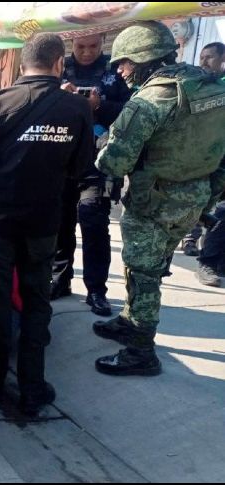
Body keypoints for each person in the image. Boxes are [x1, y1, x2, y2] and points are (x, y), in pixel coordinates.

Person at [0, 33, 93, 417]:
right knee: (36, 299)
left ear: (21, 63)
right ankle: (32, 387)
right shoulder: (77, 108)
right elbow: (81, 167)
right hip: (43, 222)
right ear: (59, 63)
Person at [93, 23, 225, 376]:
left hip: (154, 201)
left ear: (144, 59)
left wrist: (103, 145)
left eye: (124, 63)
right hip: (195, 196)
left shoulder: (148, 101)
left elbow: (115, 163)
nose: (121, 72)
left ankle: (141, 351)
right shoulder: (213, 87)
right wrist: (210, 196)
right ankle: (127, 320)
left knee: (144, 273)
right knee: (149, 264)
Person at [50, 33, 132, 317]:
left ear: (103, 41)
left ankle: (96, 290)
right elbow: (38, 107)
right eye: (81, 46)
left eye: (93, 46)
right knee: (60, 223)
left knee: (94, 223)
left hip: (100, 162)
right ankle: (59, 280)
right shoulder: (58, 68)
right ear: (72, 44)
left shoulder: (116, 73)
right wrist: (62, 99)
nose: (86, 52)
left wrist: (99, 107)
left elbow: (132, 112)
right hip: (62, 160)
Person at [181, 42, 225, 259]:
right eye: (202, 57)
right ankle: (190, 238)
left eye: (210, 57)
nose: (204, 62)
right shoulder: (196, 83)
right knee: (196, 196)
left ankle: (210, 248)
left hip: (220, 153)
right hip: (200, 151)